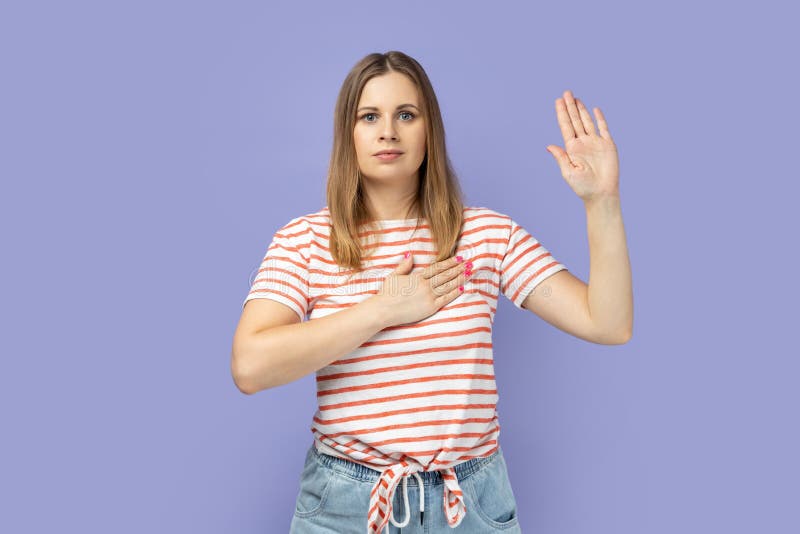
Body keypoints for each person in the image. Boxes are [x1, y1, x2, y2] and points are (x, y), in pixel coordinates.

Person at [231, 50, 632, 533]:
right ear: (349, 133)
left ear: (429, 129)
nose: (388, 132)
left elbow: (607, 323)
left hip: (470, 506)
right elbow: (250, 367)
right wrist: (382, 310)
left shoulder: (487, 236)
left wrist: (602, 203)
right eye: (369, 116)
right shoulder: (304, 241)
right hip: (344, 507)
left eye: (406, 114)